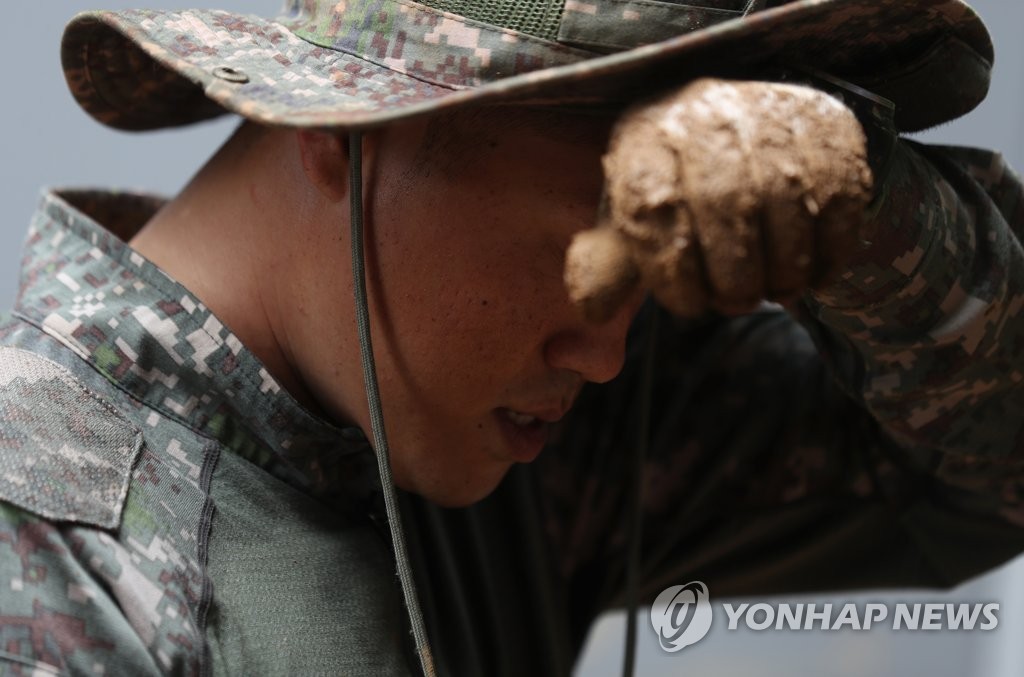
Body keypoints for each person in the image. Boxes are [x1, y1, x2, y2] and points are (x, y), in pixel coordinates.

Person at [1, 0, 1022, 675]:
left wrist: (864, 209)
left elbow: (986, 479)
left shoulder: (463, 409)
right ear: (344, 131)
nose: (606, 351)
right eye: (582, 248)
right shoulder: (44, 542)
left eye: (655, 258)